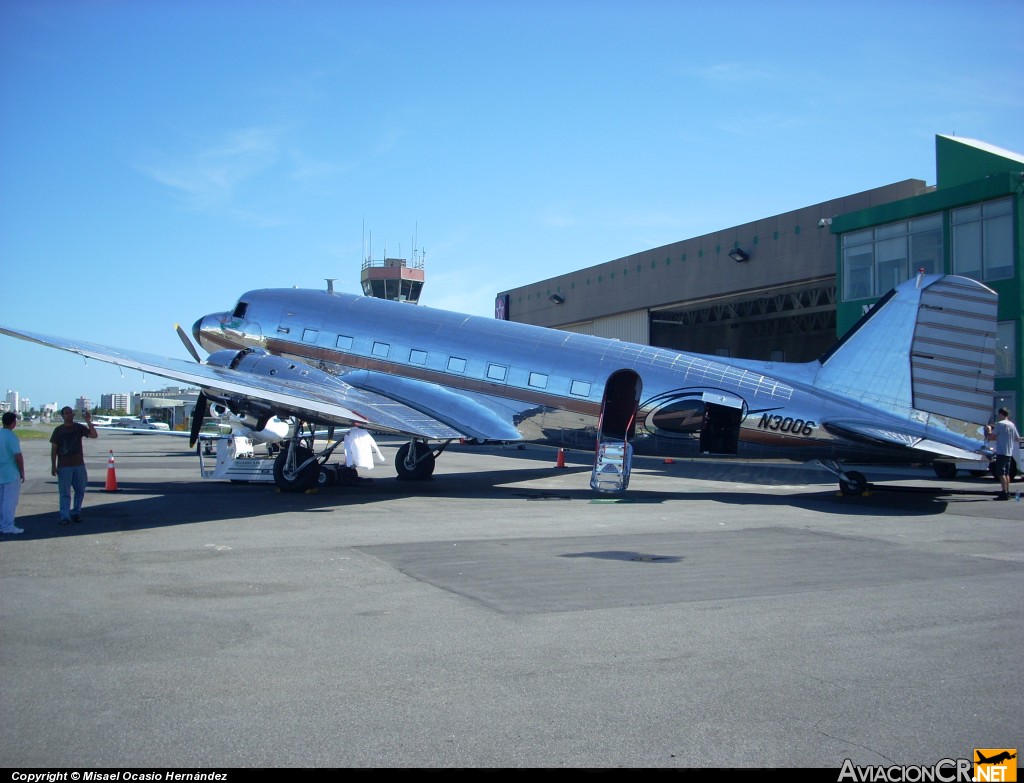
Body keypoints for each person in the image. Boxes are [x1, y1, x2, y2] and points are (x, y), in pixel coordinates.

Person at [50, 406, 98, 524]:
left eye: (71, 412)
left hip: (79, 465)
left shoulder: (78, 427)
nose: (70, 415)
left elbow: (94, 435)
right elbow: (54, 449)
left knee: (80, 490)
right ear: (62, 416)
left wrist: (88, 421)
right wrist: (53, 465)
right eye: (67, 413)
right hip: (64, 466)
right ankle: (65, 517)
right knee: (65, 493)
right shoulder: (58, 430)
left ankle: (76, 512)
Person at [987, 407, 1021, 501]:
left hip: (1001, 451)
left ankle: (1004, 492)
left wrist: (989, 429)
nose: (998, 416)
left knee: (1001, 473)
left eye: (999, 414)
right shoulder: (1011, 424)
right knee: (1006, 474)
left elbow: (991, 436)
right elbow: (1017, 438)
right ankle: (1007, 491)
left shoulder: (1000, 424)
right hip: (1009, 452)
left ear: (1001, 414)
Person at [0, 411, 26, 535]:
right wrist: (22, 471)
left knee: (1, 501)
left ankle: (2, 523)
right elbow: (18, 456)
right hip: (11, 473)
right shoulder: (12, 437)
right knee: (10, 502)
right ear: (13, 423)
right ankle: (7, 525)